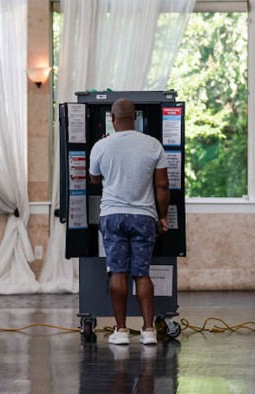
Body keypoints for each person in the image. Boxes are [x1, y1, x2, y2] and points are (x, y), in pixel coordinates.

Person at [89, 98, 170, 346]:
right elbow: (163, 185)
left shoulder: (101, 146)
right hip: (144, 217)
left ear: (112, 119)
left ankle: (121, 331)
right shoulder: (153, 145)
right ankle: (148, 331)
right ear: (135, 117)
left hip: (112, 216)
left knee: (118, 272)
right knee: (142, 273)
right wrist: (163, 216)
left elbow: (94, 179)